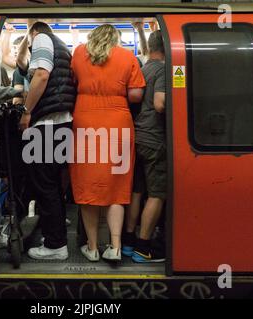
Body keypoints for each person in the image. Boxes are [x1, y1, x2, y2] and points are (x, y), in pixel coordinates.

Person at [70, 24, 145, 262]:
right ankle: (114, 246)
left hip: (85, 122)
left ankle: (92, 248)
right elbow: (135, 95)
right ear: (116, 38)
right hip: (118, 123)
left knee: (87, 185)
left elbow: (74, 82)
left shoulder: (79, 53)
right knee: (117, 186)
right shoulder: (127, 56)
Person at [18, 22, 76, 260]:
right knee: (53, 184)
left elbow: (41, 75)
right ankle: (56, 236)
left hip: (47, 125)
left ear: (33, 33)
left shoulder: (41, 39)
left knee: (44, 185)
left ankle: (56, 246)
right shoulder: (61, 45)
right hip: (62, 122)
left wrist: (26, 110)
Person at [123, 30, 167, 263]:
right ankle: (143, 248)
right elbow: (160, 104)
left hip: (136, 137)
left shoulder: (142, 68)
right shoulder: (162, 70)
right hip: (154, 140)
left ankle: (128, 243)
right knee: (158, 194)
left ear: (150, 48)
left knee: (136, 191)